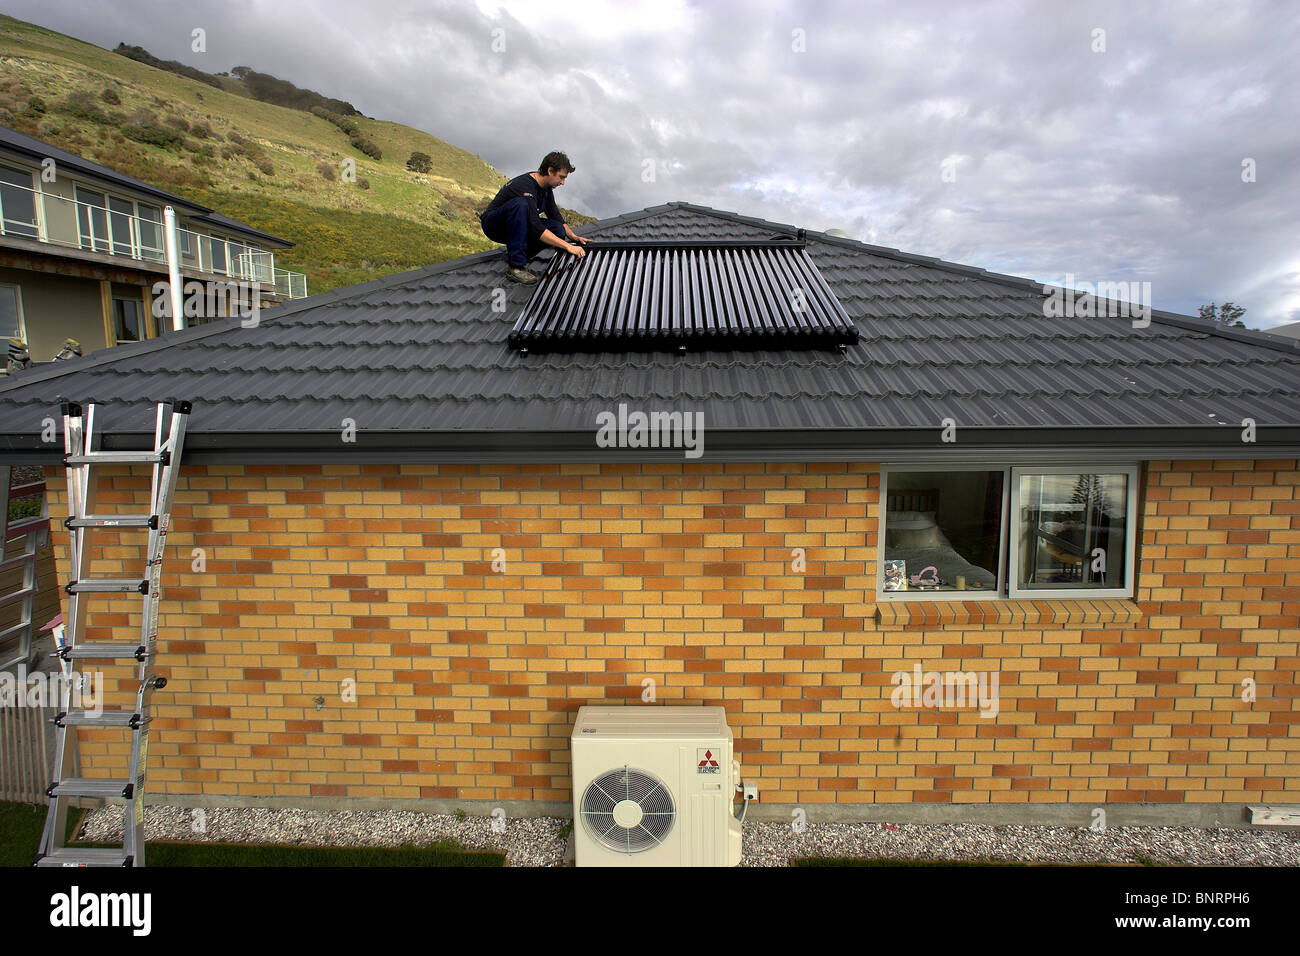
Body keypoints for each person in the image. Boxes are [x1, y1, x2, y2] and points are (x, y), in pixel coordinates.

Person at [479, 151, 588, 284]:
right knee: (521, 204)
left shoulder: (546, 188)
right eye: (561, 177)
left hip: (517, 224)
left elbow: (555, 215)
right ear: (550, 170)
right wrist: (568, 246)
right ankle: (516, 267)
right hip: (495, 225)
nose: (563, 182)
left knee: (558, 230)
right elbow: (536, 228)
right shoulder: (524, 186)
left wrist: (573, 237)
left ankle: (516, 254)